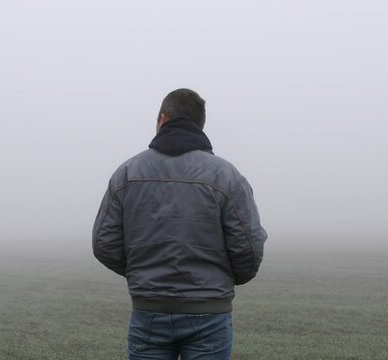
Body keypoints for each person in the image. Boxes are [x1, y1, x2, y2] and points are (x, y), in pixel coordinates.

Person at [92, 88, 267, 360]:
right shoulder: (226, 176)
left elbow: (104, 243)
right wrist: (222, 281)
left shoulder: (127, 174)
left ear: (162, 119)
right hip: (210, 313)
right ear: (200, 125)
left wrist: (143, 274)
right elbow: (249, 245)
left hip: (148, 311)